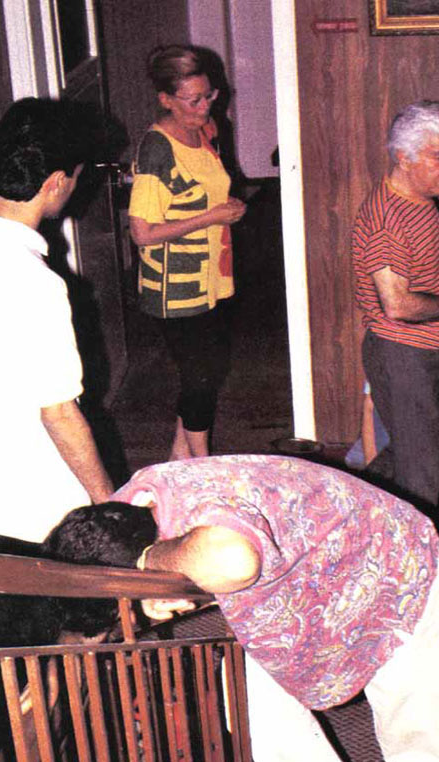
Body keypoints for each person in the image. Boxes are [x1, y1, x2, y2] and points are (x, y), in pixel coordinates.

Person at [41, 454, 439, 762]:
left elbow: (234, 562)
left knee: (421, 744)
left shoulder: (186, 525)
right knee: (249, 700)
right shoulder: (118, 520)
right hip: (312, 580)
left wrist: (151, 568)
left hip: (400, 572)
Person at [0, 97, 114, 554]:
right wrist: (108, 505)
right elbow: (59, 413)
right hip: (3, 506)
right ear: (56, 182)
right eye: (76, 176)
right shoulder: (36, 282)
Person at [352, 100, 439, 509]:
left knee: (428, 444)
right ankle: (409, 543)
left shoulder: (419, 198)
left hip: (434, 345)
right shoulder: (385, 219)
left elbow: (417, 268)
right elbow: (397, 304)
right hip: (404, 351)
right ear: (403, 157)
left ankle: (362, 508)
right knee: (424, 474)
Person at [128, 45, 246, 461]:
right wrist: (213, 216)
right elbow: (142, 233)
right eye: (193, 100)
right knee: (201, 377)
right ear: (166, 100)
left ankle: (180, 456)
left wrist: (226, 208)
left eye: (208, 95)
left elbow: (208, 189)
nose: (205, 106)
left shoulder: (206, 130)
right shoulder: (157, 149)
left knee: (206, 370)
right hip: (174, 286)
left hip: (211, 273)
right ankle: (202, 464)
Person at [346, 322, 439, 496]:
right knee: (383, 389)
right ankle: (389, 474)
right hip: (407, 439)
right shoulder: (391, 334)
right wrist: (372, 469)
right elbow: (370, 405)